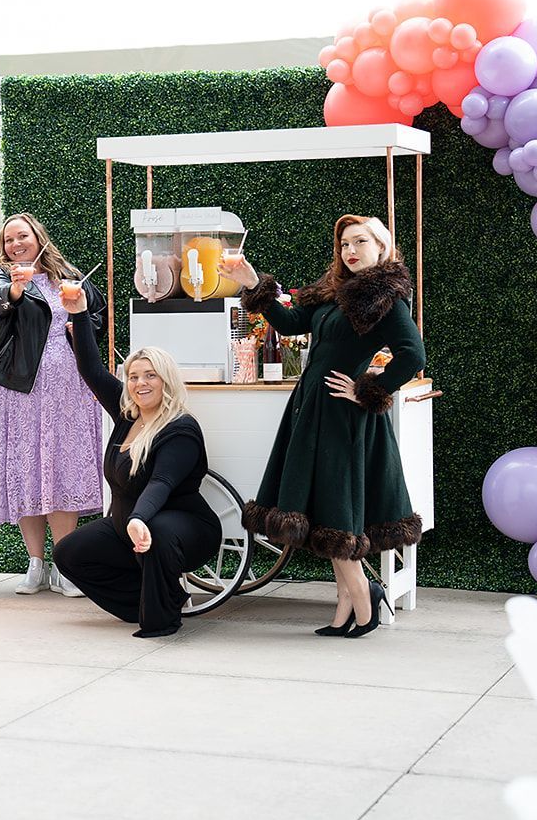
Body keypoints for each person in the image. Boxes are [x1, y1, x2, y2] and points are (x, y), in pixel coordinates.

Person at [221, 214, 425, 638]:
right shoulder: (332, 292)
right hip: (311, 410)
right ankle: (346, 605)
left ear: (382, 247)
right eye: (345, 244)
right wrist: (250, 279)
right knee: (327, 509)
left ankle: (364, 603)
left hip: (341, 417)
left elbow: (412, 355)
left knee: (336, 507)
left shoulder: (386, 298)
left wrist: (368, 388)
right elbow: (293, 323)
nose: (350, 251)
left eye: (360, 242)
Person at [53, 286, 218, 637]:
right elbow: (92, 372)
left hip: (185, 528)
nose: (140, 383)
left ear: (165, 380)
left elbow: (161, 483)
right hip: (128, 526)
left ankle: (161, 618)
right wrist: (80, 313)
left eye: (150, 375)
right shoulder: (129, 414)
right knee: (68, 553)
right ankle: (153, 599)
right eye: (134, 376)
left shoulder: (180, 428)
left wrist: (140, 519)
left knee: (155, 531)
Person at [0, 212, 105, 596]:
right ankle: (34, 564)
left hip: (68, 391)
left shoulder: (66, 274)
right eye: (9, 239)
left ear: (37, 237)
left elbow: (95, 314)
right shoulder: (0, 277)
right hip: (17, 391)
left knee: (60, 470)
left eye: (23, 236)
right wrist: (15, 289)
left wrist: (79, 317)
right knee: (27, 471)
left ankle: (65, 565)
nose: (16, 243)